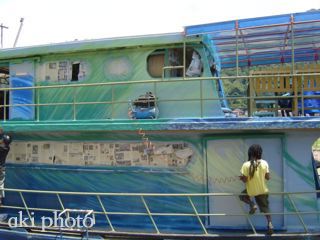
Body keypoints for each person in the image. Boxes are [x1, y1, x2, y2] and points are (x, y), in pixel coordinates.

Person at [239, 144, 273, 235]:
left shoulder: (246, 165)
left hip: (251, 190)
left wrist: (241, 178)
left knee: (242, 196)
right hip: (262, 190)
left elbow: (245, 180)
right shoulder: (264, 163)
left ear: (250, 153)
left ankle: (252, 204)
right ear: (260, 153)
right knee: (265, 208)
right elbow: (268, 177)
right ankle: (270, 224)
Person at [0, 130, 12, 206]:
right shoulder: (7, 148)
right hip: (2, 168)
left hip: (1, 168)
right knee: (1, 185)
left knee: (1, 184)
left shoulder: (1, 148)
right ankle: (1, 201)